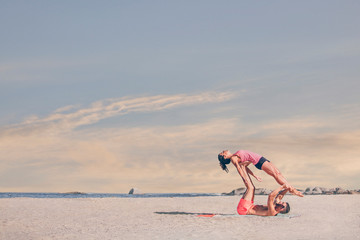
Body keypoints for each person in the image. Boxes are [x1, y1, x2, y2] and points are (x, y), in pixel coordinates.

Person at [218, 149, 303, 197]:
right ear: (225, 156)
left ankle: (291, 189)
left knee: (277, 173)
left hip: (260, 159)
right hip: (259, 161)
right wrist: (244, 178)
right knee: (276, 174)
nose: (223, 150)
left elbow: (245, 167)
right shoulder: (233, 158)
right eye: (222, 152)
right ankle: (292, 190)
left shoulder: (235, 156)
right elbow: (239, 168)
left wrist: (255, 176)